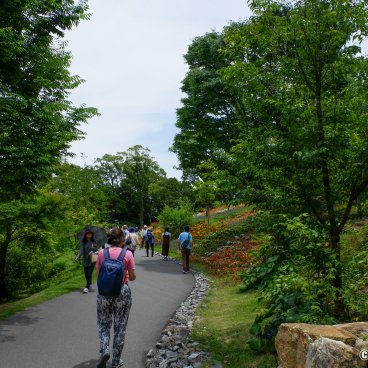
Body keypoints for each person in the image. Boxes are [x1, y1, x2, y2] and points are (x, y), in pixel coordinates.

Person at [96, 227, 136, 368]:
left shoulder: (101, 253)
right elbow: (132, 277)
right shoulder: (128, 254)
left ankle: (105, 350)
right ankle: (116, 361)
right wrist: (126, 275)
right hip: (122, 292)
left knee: (103, 324)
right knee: (120, 327)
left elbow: (98, 276)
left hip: (104, 294)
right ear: (122, 239)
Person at [75, 229, 98, 293]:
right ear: (85, 235)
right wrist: (78, 256)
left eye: (90, 233)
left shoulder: (94, 241)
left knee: (89, 273)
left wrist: (94, 248)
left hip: (92, 259)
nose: (89, 235)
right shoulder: (83, 242)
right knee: (86, 274)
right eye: (87, 234)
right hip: (85, 260)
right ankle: (89, 282)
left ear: (92, 234)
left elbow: (97, 250)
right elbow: (81, 250)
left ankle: (86, 287)